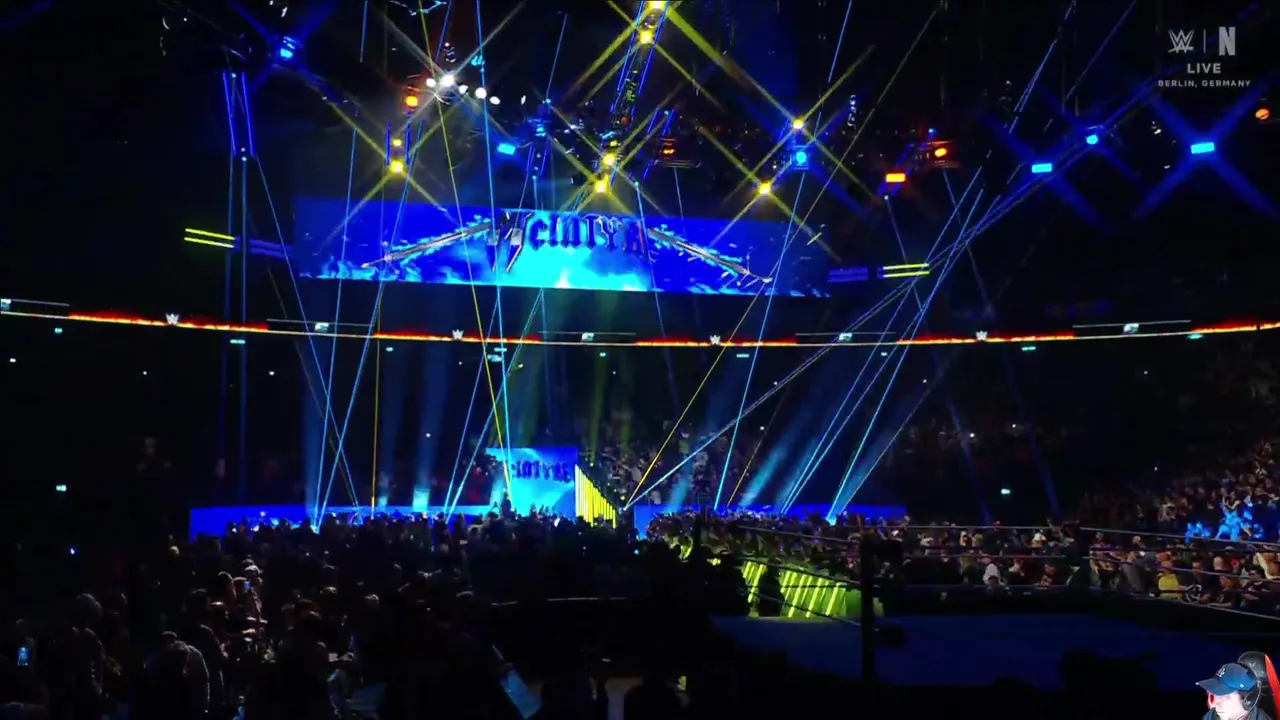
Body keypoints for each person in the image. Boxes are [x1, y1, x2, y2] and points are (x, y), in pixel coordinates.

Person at [1199, 662, 1273, 720]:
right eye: (1216, 694)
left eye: (1225, 697)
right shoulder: (1211, 716)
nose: (1214, 704)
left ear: (1248, 701)